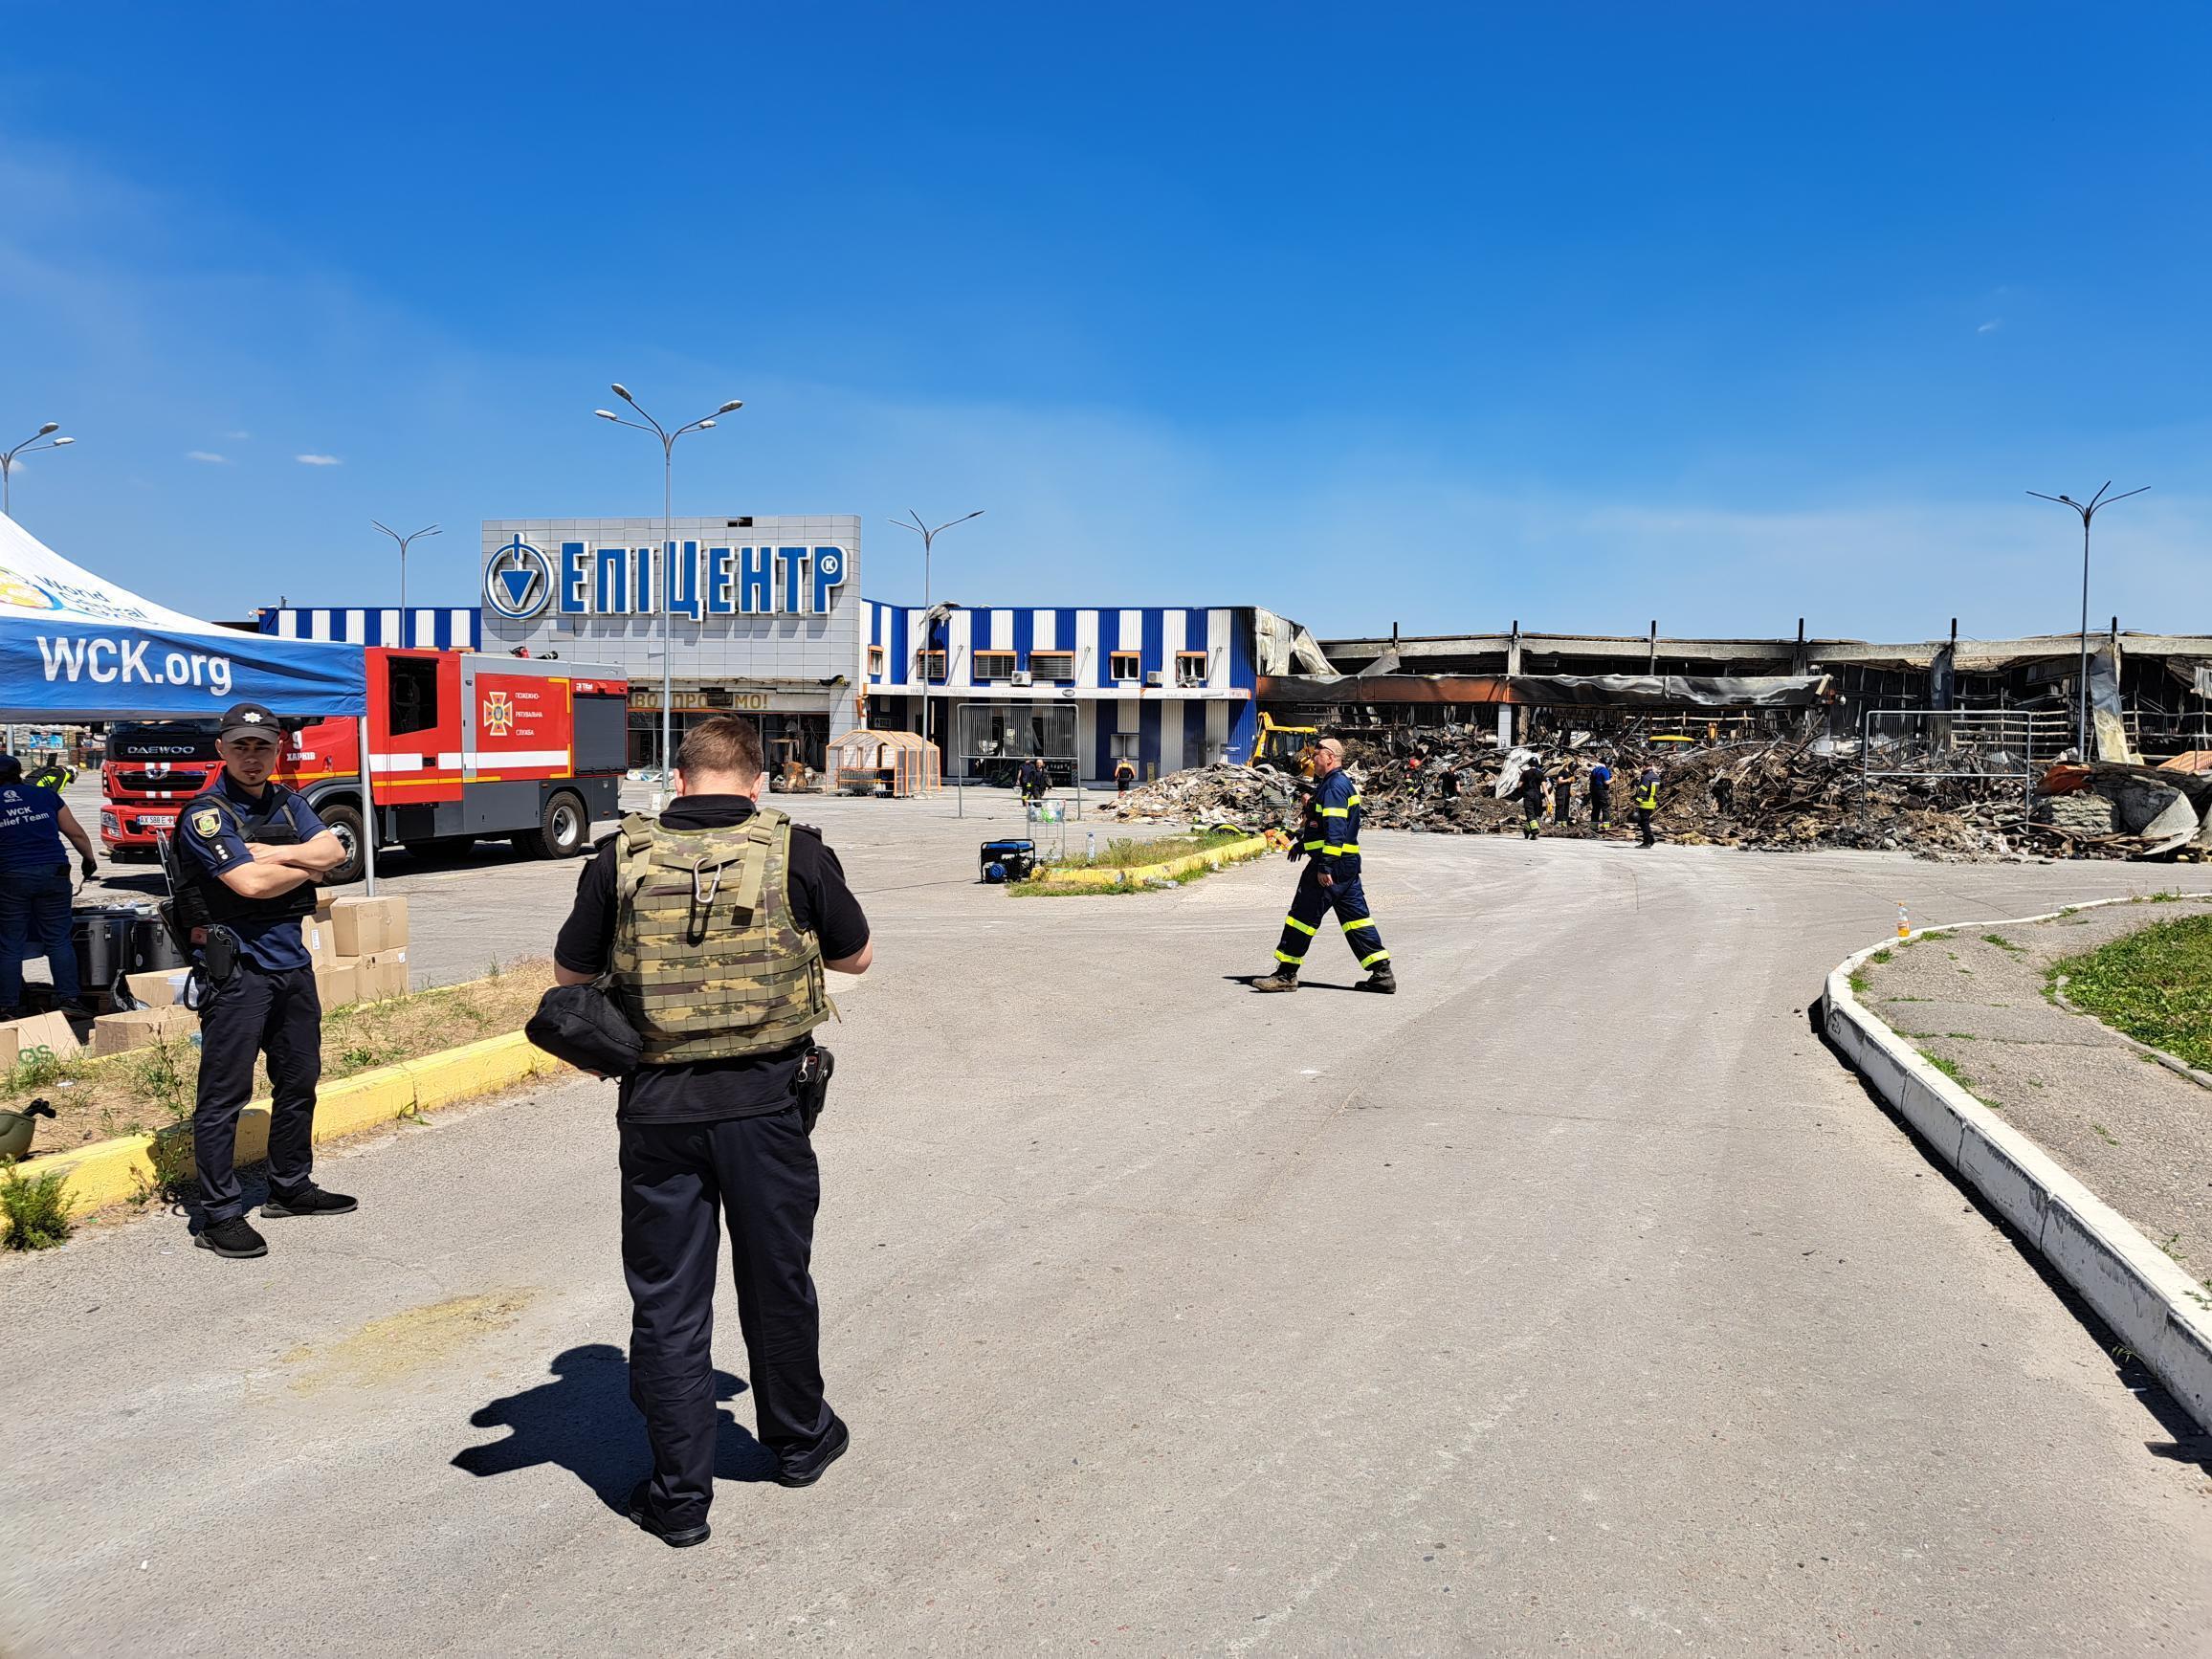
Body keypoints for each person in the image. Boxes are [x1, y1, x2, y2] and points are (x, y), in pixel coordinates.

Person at [553, 715, 873, 1548]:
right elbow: (856, 958)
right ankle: (800, 1443)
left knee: (668, 1304)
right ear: (757, 780)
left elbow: (570, 975)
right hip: (766, 1105)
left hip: (658, 1107)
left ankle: (679, 1499)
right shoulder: (796, 848)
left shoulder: (620, 855)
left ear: (680, 778)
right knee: (777, 1281)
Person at [172, 703, 352, 1260]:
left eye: (263, 747)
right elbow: (248, 883)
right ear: (222, 749)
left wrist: (282, 854)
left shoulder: (289, 802)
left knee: (299, 1080)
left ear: (277, 751)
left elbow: (339, 850)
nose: (253, 758)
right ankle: (219, 1214)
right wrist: (307, 865)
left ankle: (290, 1187)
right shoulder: (205, 813)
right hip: (238, 970)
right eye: (242, 747)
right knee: (226, 1095)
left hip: (291, 965)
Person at [1251, 737, 1393, 994]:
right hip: (1346, 867)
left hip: (1332, 867)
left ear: (1330, 757)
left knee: (1301, 918)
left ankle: (1286, 974)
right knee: (1357, 920)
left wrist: (1325, 866)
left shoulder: (1335, 787)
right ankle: (1381, 973)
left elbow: (1336, 832)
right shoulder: (1333, 785)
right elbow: (1321, 826)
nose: (1311, 760)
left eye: (1315, 755)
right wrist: (1302, 844)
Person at [0, 754, 98, 1019]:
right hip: (54, 873)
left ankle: (8, 1006)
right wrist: (89, 860)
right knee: (58, 940)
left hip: (11, 876)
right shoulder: (44, 796)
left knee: (10, 944)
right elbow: (76, 832)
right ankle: (70, 1000)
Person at [1517, 760, 1549, 840]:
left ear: (1529, 764)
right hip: (1537, 796)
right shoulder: (1541, 773)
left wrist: (1521, 782)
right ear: (1537, 764)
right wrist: (1548, 799)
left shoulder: (1525, 773)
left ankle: (1535, 833)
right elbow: (1544, 787)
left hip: (1528, 795)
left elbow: (1519, 785)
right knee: (1534, 815)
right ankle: (1526, 831)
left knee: (1530, 814)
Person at [1634, 761, 1663, 848]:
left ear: (1644, 766)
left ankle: (1647, 842)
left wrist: (1638, 800)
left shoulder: (1646, 777)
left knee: (1644, 823)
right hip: (1652, 802)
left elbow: (1643, 789)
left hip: (1645, 802)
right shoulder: (1656, 777)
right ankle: (1650, 839)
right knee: (1645, 822)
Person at [1587, 760, 1614, 830]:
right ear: (1608, 764)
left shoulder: (1595, 770)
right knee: (1605, 807)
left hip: (1594, 790)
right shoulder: (1604, 770)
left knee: (1596, 808)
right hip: (1602, 790)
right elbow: (1606, 782)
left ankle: (1593, 827)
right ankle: (1606, 827)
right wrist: (1613, 779)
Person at [1552, 760, 1575, 825]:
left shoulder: (1571, 773)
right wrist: (1568, 780)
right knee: (1560, 807)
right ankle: (1558, 824)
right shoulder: (1562, 772)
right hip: (1561, 791)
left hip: (1567, 792)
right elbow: (1559, 781)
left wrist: (1570, 790)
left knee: (1566, 807)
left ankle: (1564, 824)